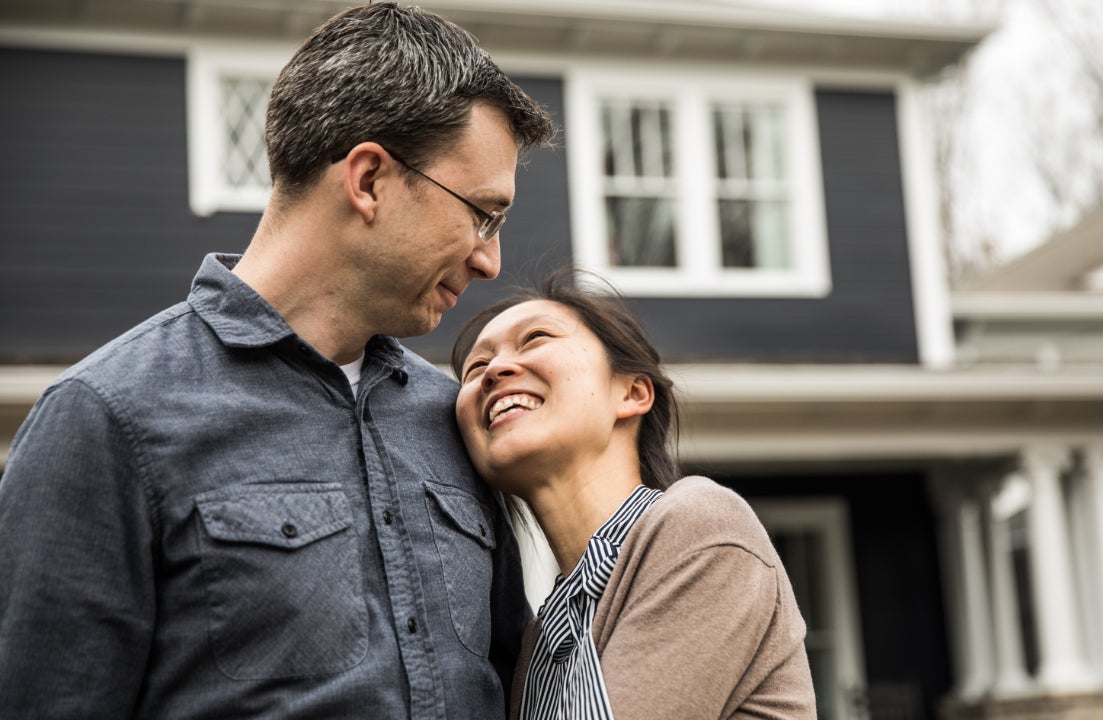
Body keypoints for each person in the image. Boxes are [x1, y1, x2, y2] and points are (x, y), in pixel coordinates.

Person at [0, 4, 555, 718]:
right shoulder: (106, 419)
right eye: (482, 214)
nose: (489, 259)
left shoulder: (451, 415)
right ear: (369, 180)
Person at [450, 270, 818, 720]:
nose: (494, 371)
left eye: (535, 339)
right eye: (474, 367)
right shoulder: (540, 637)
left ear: (631, 392)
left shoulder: (702, 527)